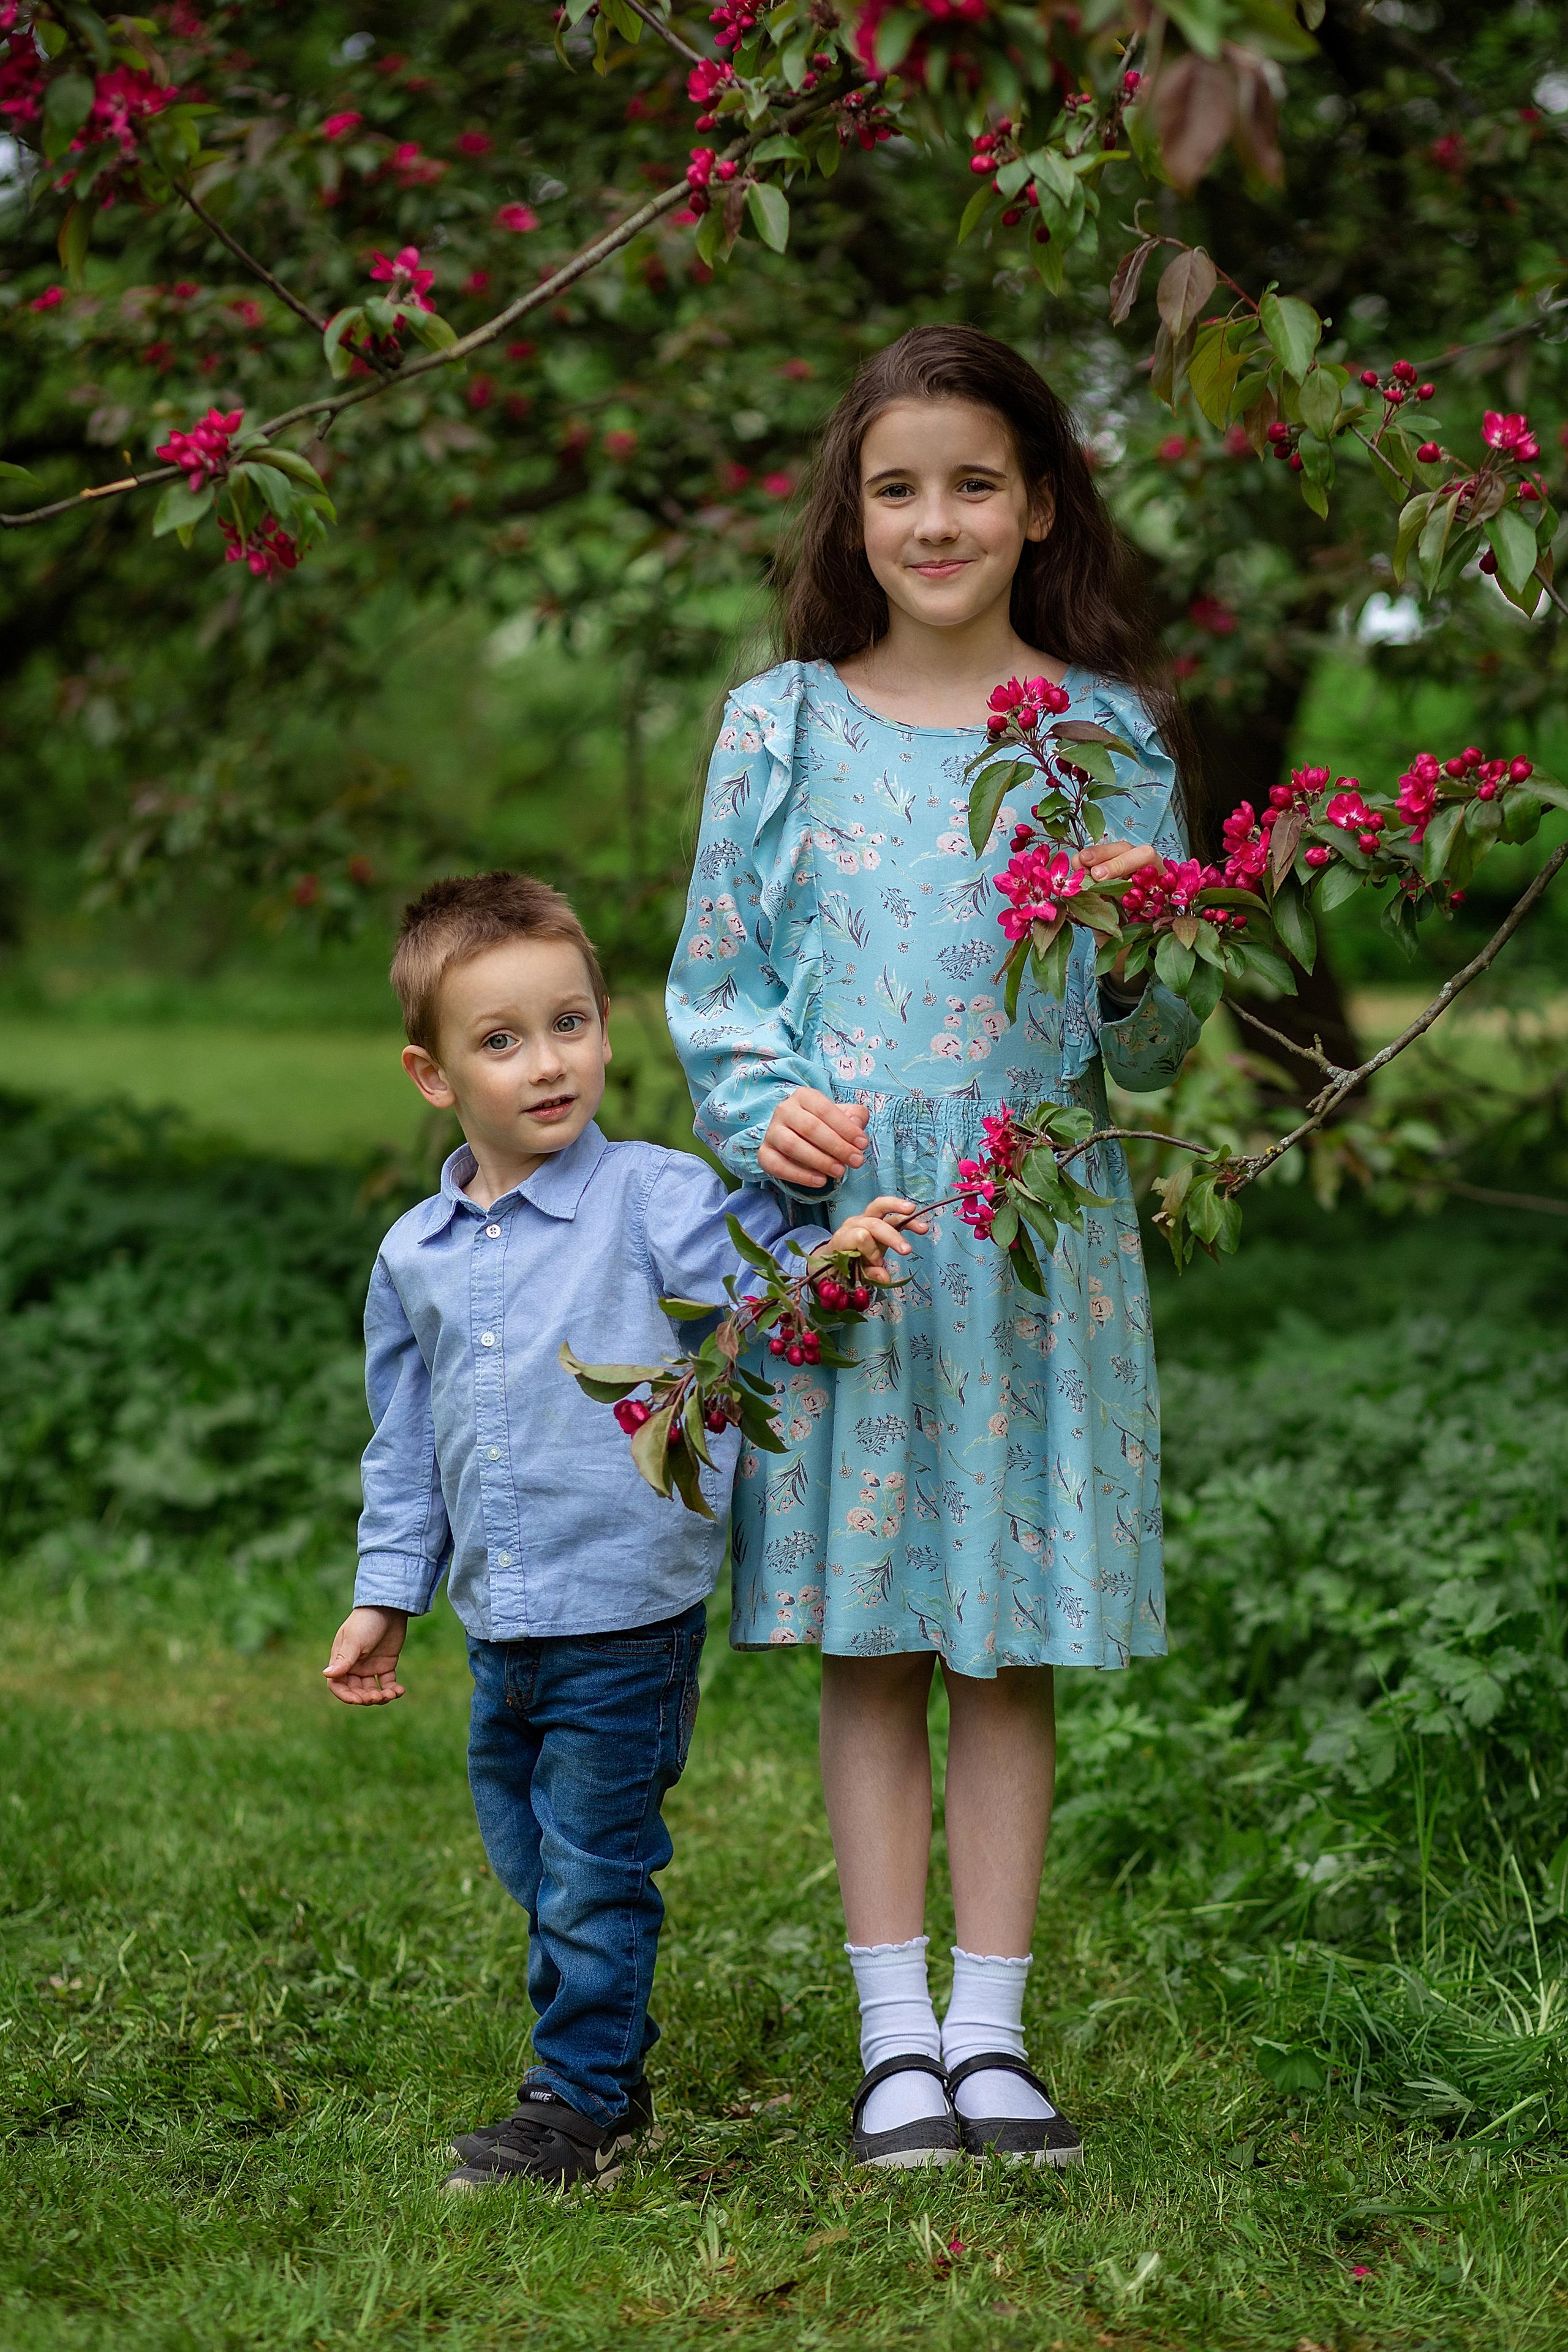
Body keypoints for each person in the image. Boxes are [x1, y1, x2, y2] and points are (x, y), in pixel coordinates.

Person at [666, 325, 1204, 2170]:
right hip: (862, 1241)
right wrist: (768, 1114)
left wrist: (1142, 951)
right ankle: (895, 2036)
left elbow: (1151, 1046)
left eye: (975, 480)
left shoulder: (1107, 740)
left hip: (1040, 1238)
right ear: (856, 512)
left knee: (1005, 1641)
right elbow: (718, 987)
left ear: (1041, 501)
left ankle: (996, 2031)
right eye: (899, 486)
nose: (937, 516)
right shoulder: (781, 723)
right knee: (875, 1636)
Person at [323, 869, 922, 2192]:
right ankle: (605, 2048)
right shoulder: (413, 1255)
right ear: (433, 1076)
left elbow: (763, 1292)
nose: (549, 1064)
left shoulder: (647, 1197)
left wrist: (837, 1253)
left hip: (623, 1609)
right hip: (499, 1615)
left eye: (572, 1024)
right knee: (533, 1862)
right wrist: (387, 1592)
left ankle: (575, 2104)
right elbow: (407, 1446)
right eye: (503, 1040)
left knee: (595, 1869)